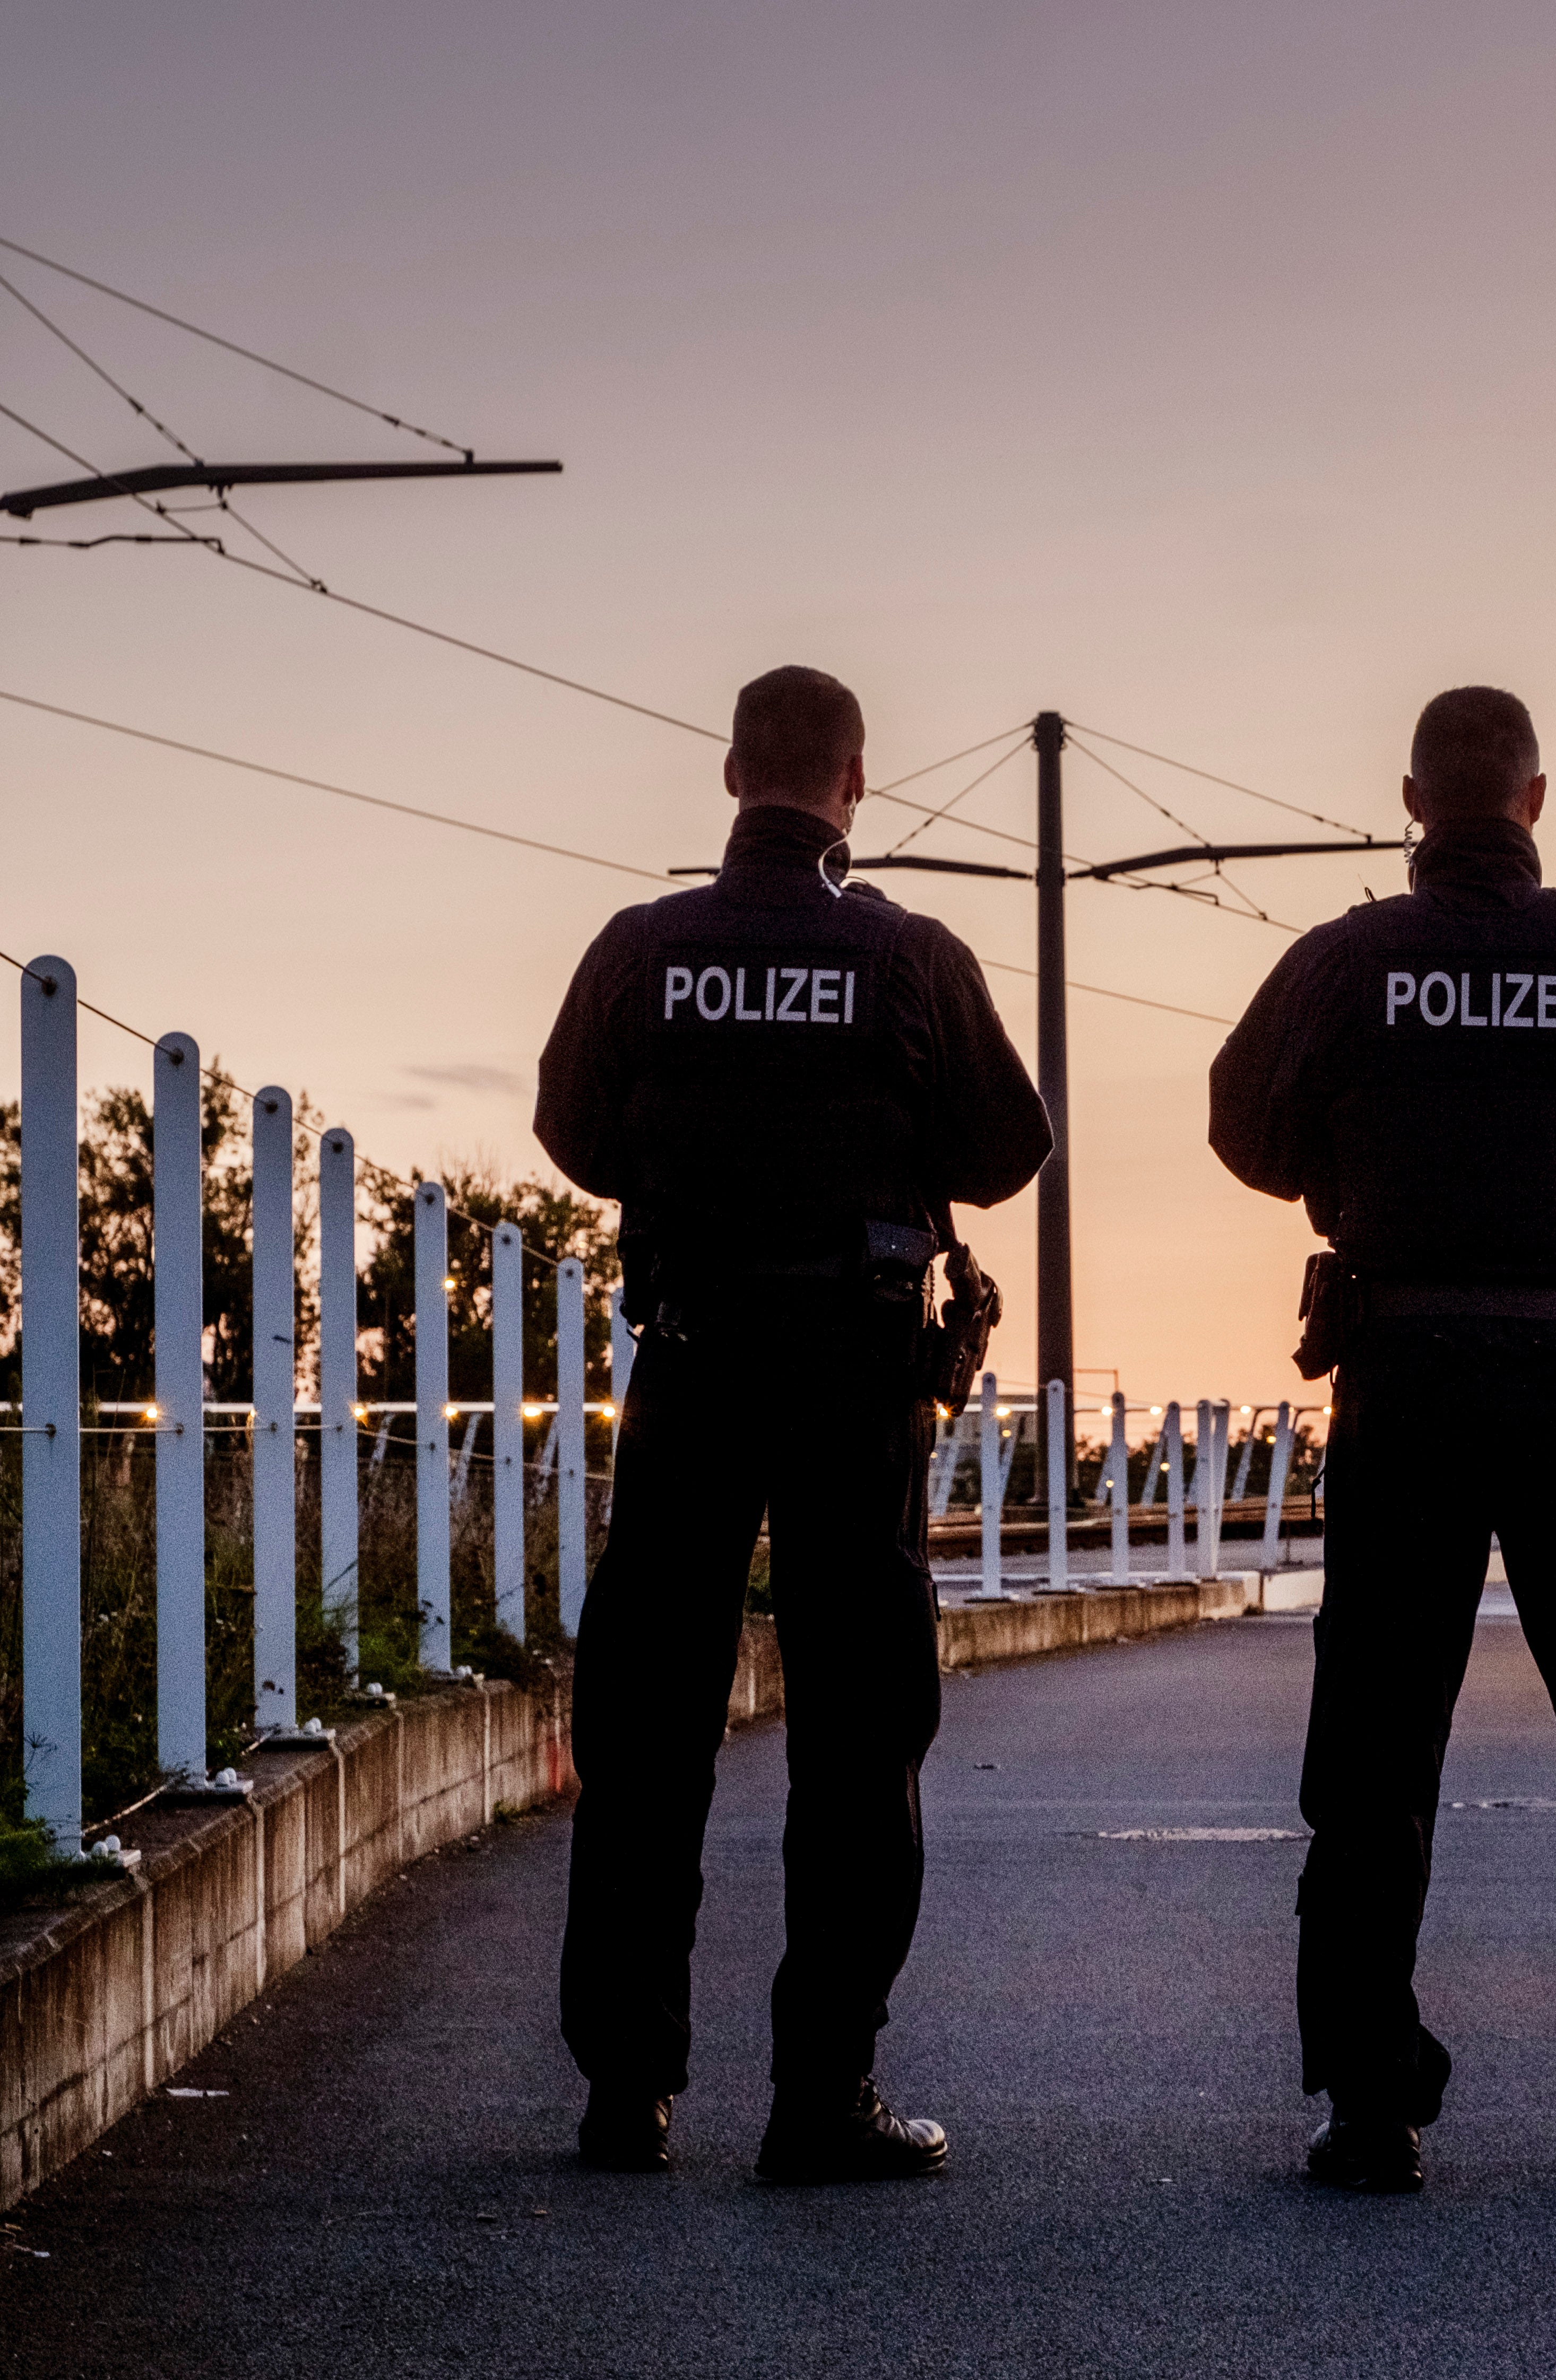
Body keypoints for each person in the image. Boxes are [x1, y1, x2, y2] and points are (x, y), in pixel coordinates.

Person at [1209, 684, 1556, 2194]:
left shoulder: (1346, 963)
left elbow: (1245, 1126)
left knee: (1376, 1750)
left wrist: (1371, 1173)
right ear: (1532, 798)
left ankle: (1372, 2108)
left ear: (1410, 800)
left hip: (1406, 1369)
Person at [537, 665, 1050, 2183]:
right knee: (858, 1738)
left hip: (689, 1364)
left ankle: (628, 2091)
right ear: (855, 781)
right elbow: (1007, 1145)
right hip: (853, 1378)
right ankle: (821, 2097)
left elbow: (574, 1130)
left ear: (729, 775)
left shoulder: (643, 950)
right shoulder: (906, 957)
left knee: (646, 1732)